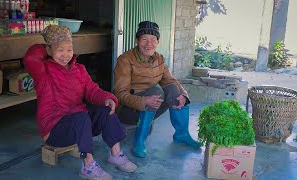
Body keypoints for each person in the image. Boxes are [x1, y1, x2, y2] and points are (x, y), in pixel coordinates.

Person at [23, 25, 137, 179]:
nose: (65, 55)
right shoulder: (43, 71)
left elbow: (92, 90)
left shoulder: (80, 69)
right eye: (60, 50)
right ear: (48, 51)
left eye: (69, 49)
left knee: (105, 110)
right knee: (81, 116)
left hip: (78, 124)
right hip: (55, 129)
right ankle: (88, 166)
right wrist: (49, 44)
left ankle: (115, 154)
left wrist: (107, 98)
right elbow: (30, 57)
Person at [113, 21, 202, 158]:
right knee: (157, 92)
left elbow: (171, 81)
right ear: (137, 41)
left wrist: (184, 94)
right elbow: (120, 94)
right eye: (144, 39)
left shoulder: (158, 59)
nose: (149, 44)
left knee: (173, 90)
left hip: (150, 105)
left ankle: (182, 134)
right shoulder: (125, 60)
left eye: (153, 39)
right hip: (127, 110)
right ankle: (140, 140)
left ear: (158, 42)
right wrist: (143, 101)